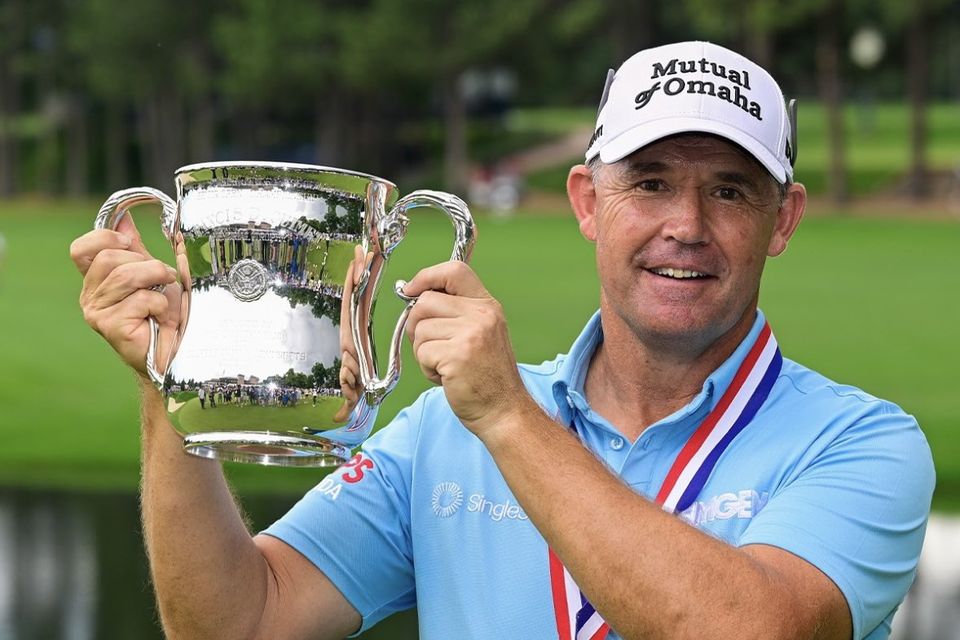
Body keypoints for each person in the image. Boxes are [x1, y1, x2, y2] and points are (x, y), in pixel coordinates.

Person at [70, 41, 934, 640]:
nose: (687, 225)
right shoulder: (445, 433)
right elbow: (240, 622)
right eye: (651, 182)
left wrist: (511, 419)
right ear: (588, 202)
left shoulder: (863, 445)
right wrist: (170, 385)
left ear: (783, 220)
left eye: (732, 193)